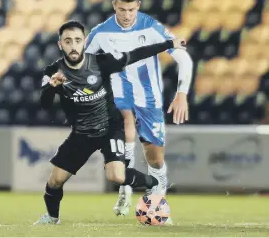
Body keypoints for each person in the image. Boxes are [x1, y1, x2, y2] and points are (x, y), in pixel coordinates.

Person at [34, 20, 186, 224]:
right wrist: (51, 87)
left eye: (78, 40)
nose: (73, 45)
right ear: (60, 44)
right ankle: (52, 218)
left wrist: (168, 44)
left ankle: (153, 182)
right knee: (55, 181)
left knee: (116, 176)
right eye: (68, 41)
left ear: (83, 42)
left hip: (109, 128)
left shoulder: (100, 62)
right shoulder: (53, 72)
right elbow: (43, 104)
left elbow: (135, 54)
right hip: (81, 134)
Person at [85, 0, 193, 216]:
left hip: (149, 100)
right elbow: (83, 67)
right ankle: (127, 190)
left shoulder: (151, 27)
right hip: (119, 98)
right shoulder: (100, 33)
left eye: (131, 9)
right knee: (124, 128)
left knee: (155, 158)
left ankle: (156, 196)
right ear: (114, 5)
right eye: (122, 9)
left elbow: (183, 57)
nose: (126, 15)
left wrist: (182, 93)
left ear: (139, 6)